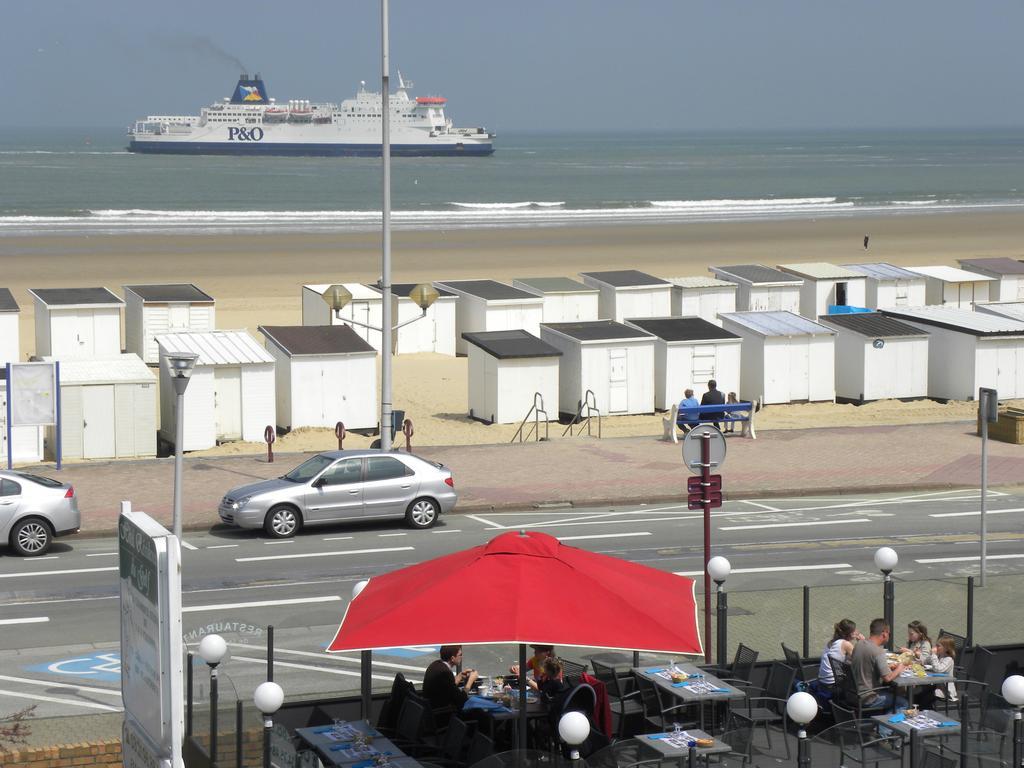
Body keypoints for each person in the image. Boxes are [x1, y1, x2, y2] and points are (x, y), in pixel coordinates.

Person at [850, 618, 907, 711]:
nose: (889, 636)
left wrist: (888, 667)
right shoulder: (878, 651)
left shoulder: (859, 644)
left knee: (894, 693)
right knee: (903, 703)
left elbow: (866, 664)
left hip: (852, 694)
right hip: (867, 698)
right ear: (884, 633)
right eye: (889, 634)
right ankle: (884, 725)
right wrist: (900, 667)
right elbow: (887, 678)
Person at [422, 645, 478, 714]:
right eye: (460, 655)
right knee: (478, 712)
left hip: (432, 709)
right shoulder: (445, 673)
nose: (462, 657)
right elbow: (461, 700)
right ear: (452, 658)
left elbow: (447, 688)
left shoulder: (435, 665)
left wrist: (459, 676)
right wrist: (470, 681)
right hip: (443, 715)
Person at [816, 619, 863, 695]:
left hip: (823, 681)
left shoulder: (832, 642)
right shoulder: (846, 644)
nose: (856, 632)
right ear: (849, 633)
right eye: (854, 631)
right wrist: (862, 642)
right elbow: (862, 659)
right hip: (833, 685)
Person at [920, 636, 958, 708]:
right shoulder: (940, 656)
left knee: (926, 696)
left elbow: (938, 669)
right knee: (921, 692)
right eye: (936, 645)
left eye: (938, 646)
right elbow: (925, 662)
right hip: (937, 685)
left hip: (945, 690)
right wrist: (931, 655)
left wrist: (934, 655)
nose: (936, 647)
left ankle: (927, 712)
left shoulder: (949, 659)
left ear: (946, 648)